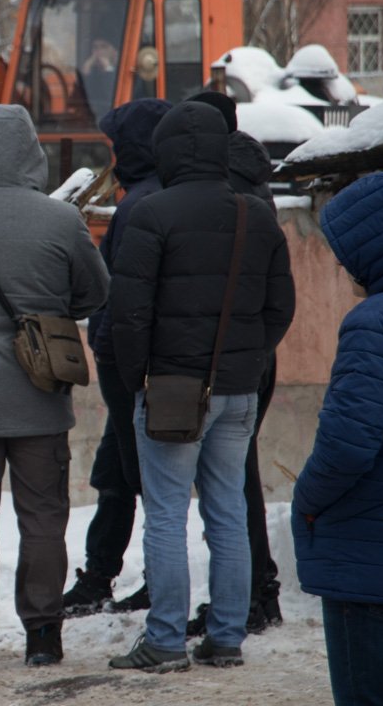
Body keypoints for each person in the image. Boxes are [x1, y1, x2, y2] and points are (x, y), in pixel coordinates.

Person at [107, 101, 294, 673]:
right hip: (238, 389)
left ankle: (165, 640)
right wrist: (248, 360)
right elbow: (280, 308)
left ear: (165, 151)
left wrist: (139, 378)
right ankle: (227, 636)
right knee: (228, 511)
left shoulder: (152, 213)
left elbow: (128, 314)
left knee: (166, 515)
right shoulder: (254, 214)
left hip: (169, 388)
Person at [0, 104, 108, 671]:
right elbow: (95, 293)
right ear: (33, 153)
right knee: (43, 519)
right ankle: (42, 636)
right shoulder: (60, 220)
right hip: (41, 398)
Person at [62, 98, 173, 618]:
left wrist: (110, 352)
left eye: (117, 144)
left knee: (141, 477)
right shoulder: (152, 195)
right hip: (130, 362)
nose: (111, 155)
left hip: (127, 366)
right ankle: (101, 574)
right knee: (116, 473)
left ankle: (153, 580)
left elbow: (123, 294)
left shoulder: (140, 205)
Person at [292, 171, 383, 706]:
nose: (340, 265)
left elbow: (348, 444)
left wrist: (308, 501)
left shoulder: (373, 323)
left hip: (372, 559)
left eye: (346, 251)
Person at [184, 90, 284, 637]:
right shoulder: (253, 180)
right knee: (238, 476)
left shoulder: (228, 186)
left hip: (229, 354)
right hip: (253, 351)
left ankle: (248, 598)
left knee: (230, 483)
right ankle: (258, 591)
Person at [79, 37, 119, 121]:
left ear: (114, 52)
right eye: (95, 47)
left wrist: (107, 69)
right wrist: (85, 73)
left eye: (104, 47)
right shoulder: (91, 72)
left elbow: (112, 95)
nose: (98, 52)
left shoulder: (120, 71)